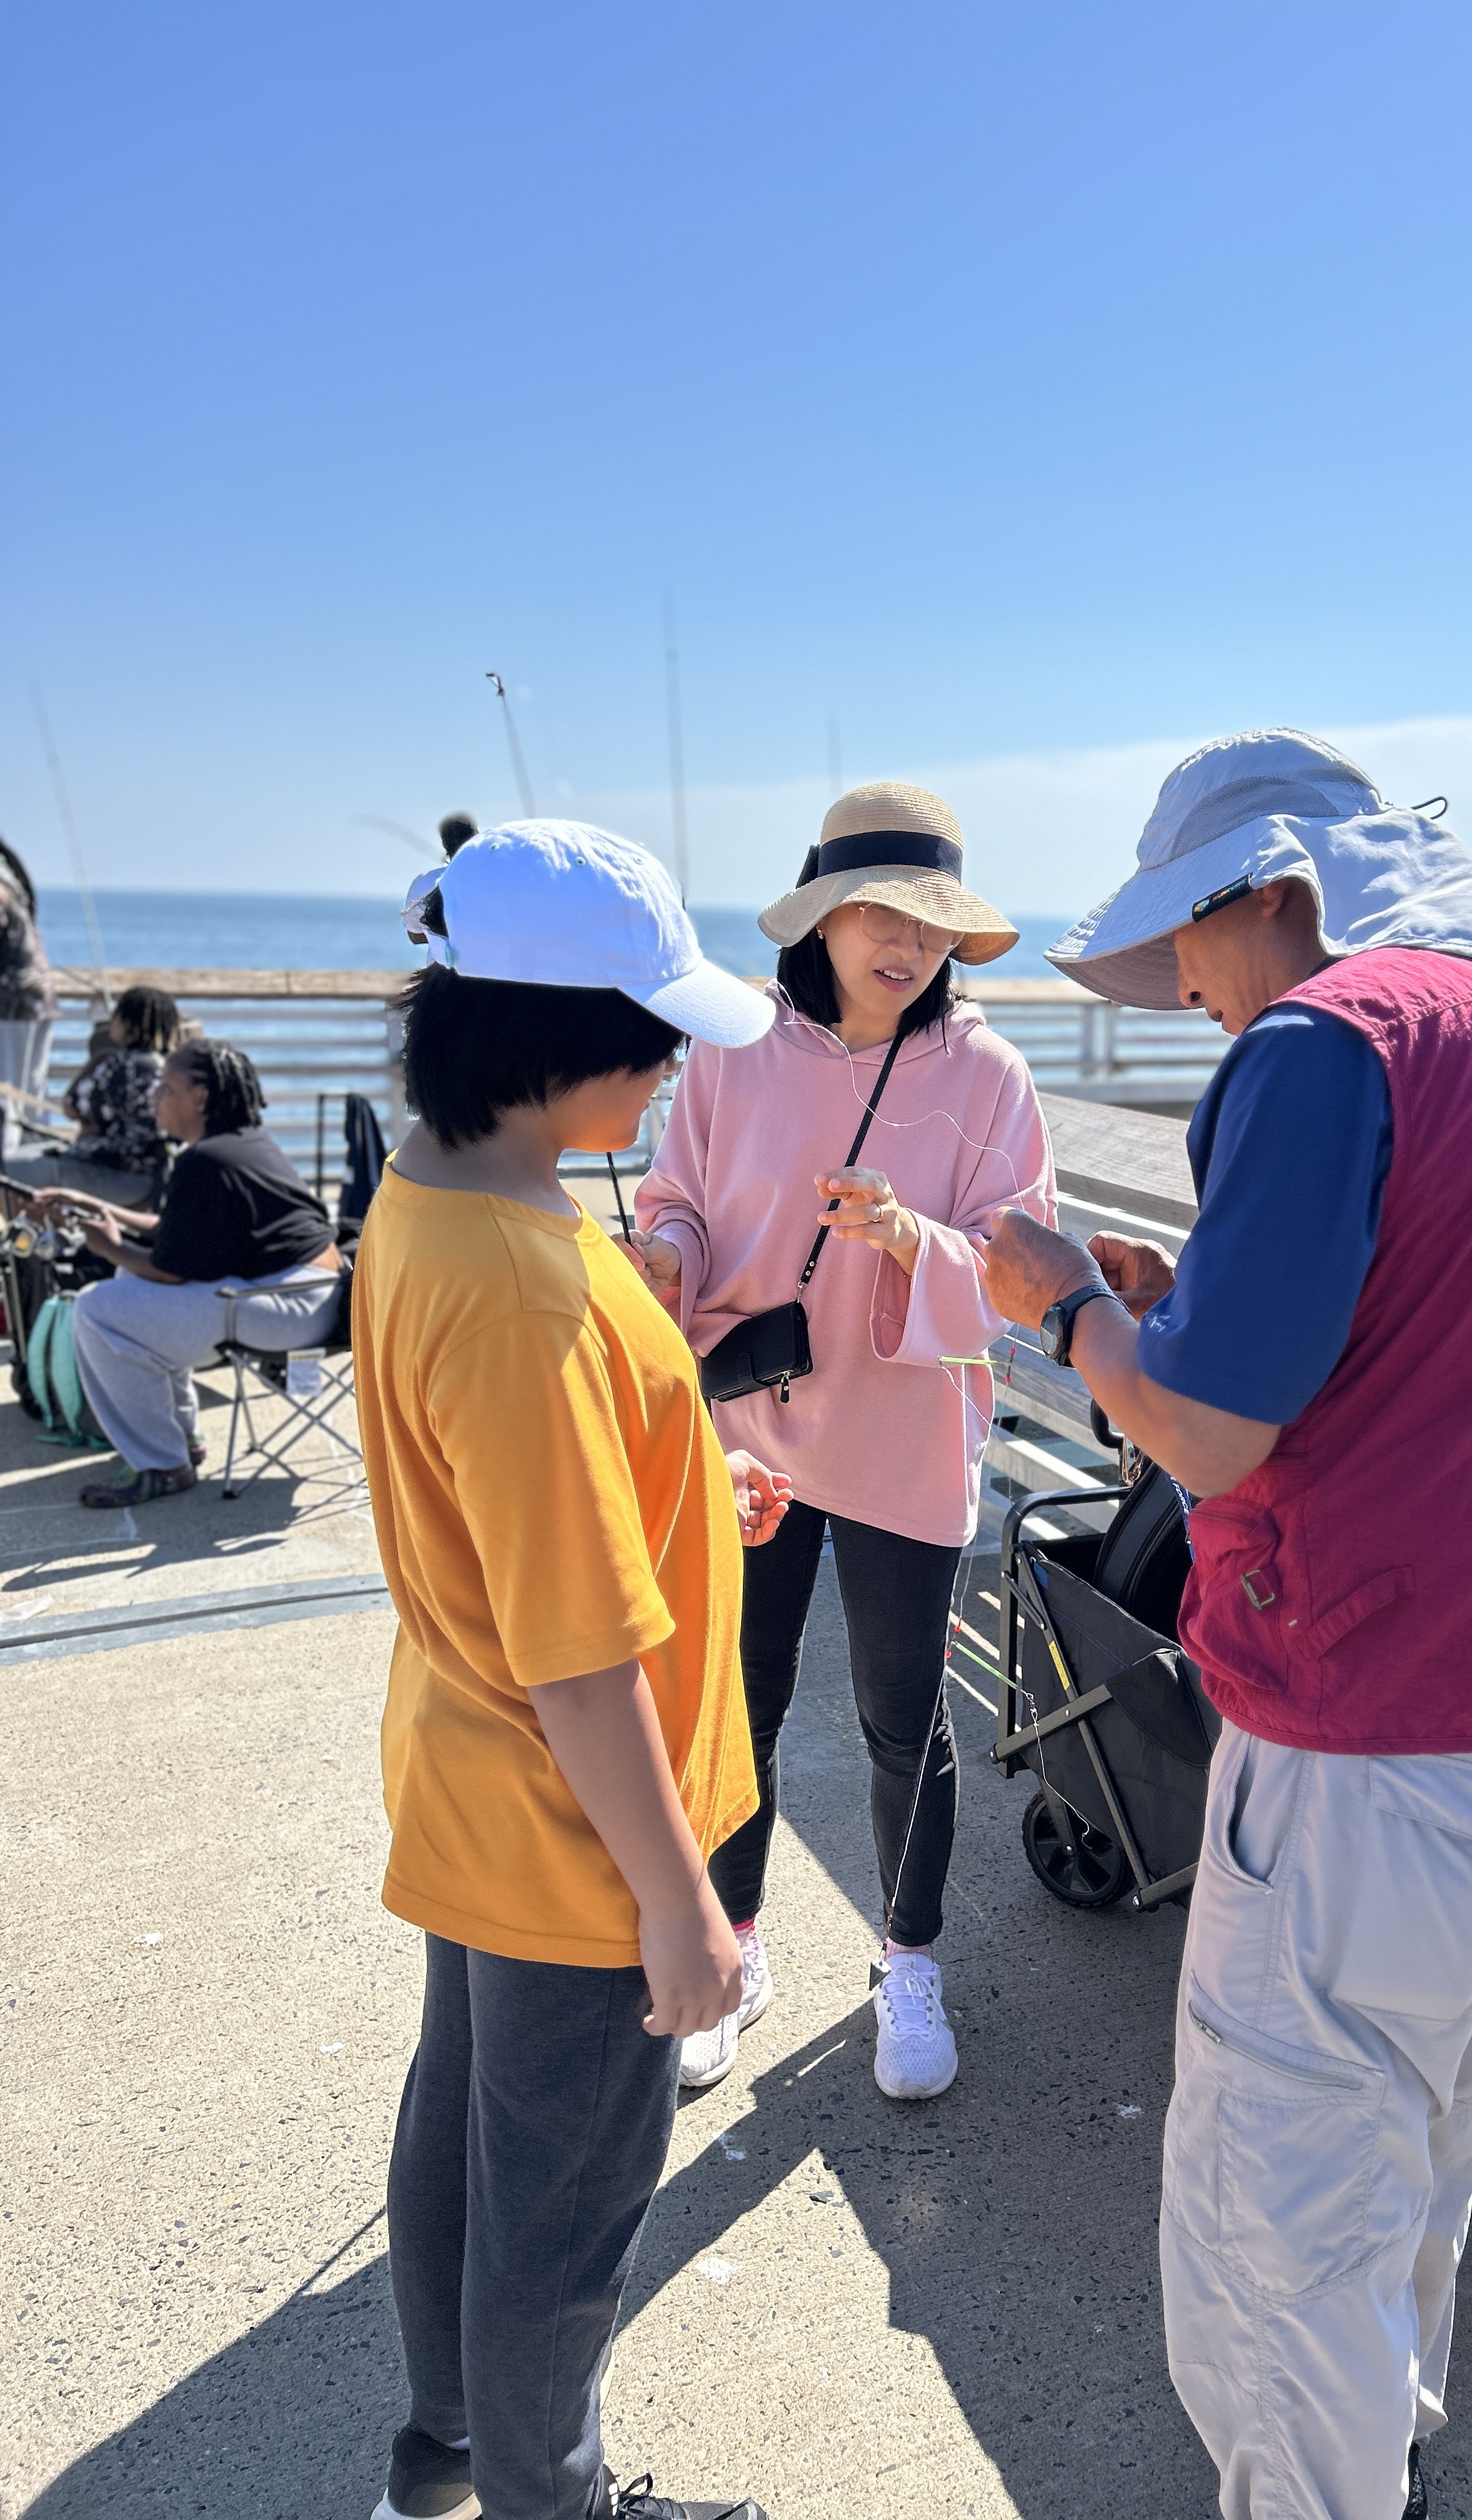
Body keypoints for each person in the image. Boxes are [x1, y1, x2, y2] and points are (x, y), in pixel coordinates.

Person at [983, 730, 1472, 2520]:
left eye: (1187, 947)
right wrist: (1166, 1315)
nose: (1183, 994)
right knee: (1424, 2135)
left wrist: (1065, 1305)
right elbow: (1414, 1337)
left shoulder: (1322, 1041)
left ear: (1275, 893)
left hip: (1384, 1747)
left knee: (1278, 2222)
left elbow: (1209, 1437)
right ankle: (1389, 2465)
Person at [358, 820, 783, 2520]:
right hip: (578, 1832)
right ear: (552, 1041)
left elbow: (526, 1492)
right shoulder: (523, 1290)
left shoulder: (438, 1189)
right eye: (650, 1038)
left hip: (470, 1771)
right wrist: (683, 1910)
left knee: (467, 2137)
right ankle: (558, 2502)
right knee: (562, 2221)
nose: (673, 1070)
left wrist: (681, 1483)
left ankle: (445, 2450)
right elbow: (586, 1666)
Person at [630, 782, 1055, 2101]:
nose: (907, 943)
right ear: (822, 917)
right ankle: (735, 1943)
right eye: (881, 912)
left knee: (903, 1714)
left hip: (904, 1437)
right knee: (738, 1697)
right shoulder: (733, 1050)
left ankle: (908, 1962)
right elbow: (679, 1198)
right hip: (752, 1429)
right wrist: (665, 1256)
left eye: (932, 922)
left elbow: (1021, 1269)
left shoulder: (989, 1074)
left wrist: (907, 1237)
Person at [29, 1039, 345, 1509]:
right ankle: (182, 1438)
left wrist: (106, 1244)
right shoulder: (242, 1144)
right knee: (128, 1284)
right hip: (312, 1298)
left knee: (95, 1308)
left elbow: (171, 1272)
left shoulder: (207, 1160)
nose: (155, 1097)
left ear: (200, 1097)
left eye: (166, 1088)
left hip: (288, 1308)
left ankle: (163, 1466)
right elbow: (176, 1231)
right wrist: (95, 1206)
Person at [8, 982, 182, 1202]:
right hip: (159, 1177)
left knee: (11, 1168)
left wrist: (96, 1061)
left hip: (117, 1176)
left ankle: (26, 1224)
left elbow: (72, 1107)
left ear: (127, 1022)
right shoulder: (175, 1069)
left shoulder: (121, 1065)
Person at [0, 838, 57, 1160]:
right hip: (36, 997)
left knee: (7, 1092)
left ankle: (9, 1168)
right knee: (30, 1092)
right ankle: (31, 1167)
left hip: (10, 1003)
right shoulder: (12, 875)